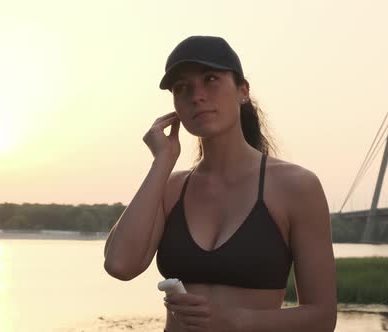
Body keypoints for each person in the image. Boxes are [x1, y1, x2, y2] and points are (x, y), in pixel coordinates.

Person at [104, 35, 337, 332]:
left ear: (242, 91)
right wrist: (162, 161)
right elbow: (119, 265)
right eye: (181, 88)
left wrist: (235, 320)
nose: (196, 96)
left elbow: (321, 318)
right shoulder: (171, 188)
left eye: (210, 79)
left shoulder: (296, 187)